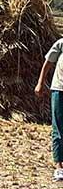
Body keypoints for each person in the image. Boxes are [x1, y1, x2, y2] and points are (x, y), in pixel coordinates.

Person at [35, 35, 63, 180]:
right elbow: (48, 62)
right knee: (58, 127)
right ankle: (59, 166)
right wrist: (40, 83)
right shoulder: (61, 44)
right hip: (59, 89)